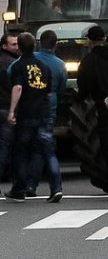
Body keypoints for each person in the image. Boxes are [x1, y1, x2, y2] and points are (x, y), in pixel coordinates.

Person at [5, 32, 62, 203]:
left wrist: (12, 111)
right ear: (35, 45)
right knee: (48, 151)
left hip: (26, 114)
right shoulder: (44, 66)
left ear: (20, 48)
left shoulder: (17, 66)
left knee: (21, 152)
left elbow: (18, 88)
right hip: (44, 113)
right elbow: (49, 91)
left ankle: (19, 189)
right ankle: (56, 188)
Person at [75, 25, 108, 190]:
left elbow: (84, 86)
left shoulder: (88, 61)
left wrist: (77, 99)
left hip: (103, 107)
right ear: (105, 39)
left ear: (89, 41)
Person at [27, 30, 67, 197]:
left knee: (26, 149)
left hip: (28, 108)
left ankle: (28, 185)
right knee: (46, 149)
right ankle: (56, 187)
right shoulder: (59, 64)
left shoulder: (30, 61)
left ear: (38, 43)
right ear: (56, 44)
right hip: (49, 109)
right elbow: (62, 87)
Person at [0, 33, 20, 183]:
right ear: (4, 46)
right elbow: (15, 87)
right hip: (7, 107)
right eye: (13, 44)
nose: (17, 46)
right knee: (7, 145)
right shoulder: (13, 64)